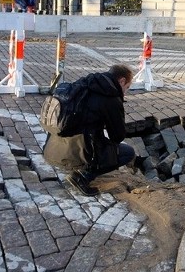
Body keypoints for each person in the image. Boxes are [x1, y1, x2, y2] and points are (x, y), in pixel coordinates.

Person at [43, 64, 136, 196]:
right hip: (80, 153)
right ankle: (83, 176)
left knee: (89, 136)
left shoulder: (85, 84)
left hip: (53, 150)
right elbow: (117, 136)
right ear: (121, 81)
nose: (125, 92)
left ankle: (77, 166)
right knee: (127, 152)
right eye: (127, 87)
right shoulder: (111, 97)